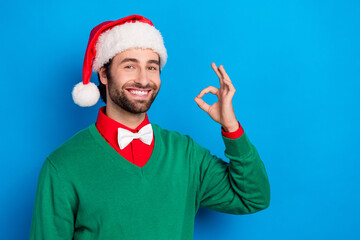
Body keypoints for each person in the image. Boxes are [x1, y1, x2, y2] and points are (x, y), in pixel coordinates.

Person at [29, 15, 270, 240]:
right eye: (130, 66)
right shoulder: (62, 166)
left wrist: (231, 127)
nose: (144, 80)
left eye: (152, 67)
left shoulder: (186, 154)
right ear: (103, 74)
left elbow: (252, 197)